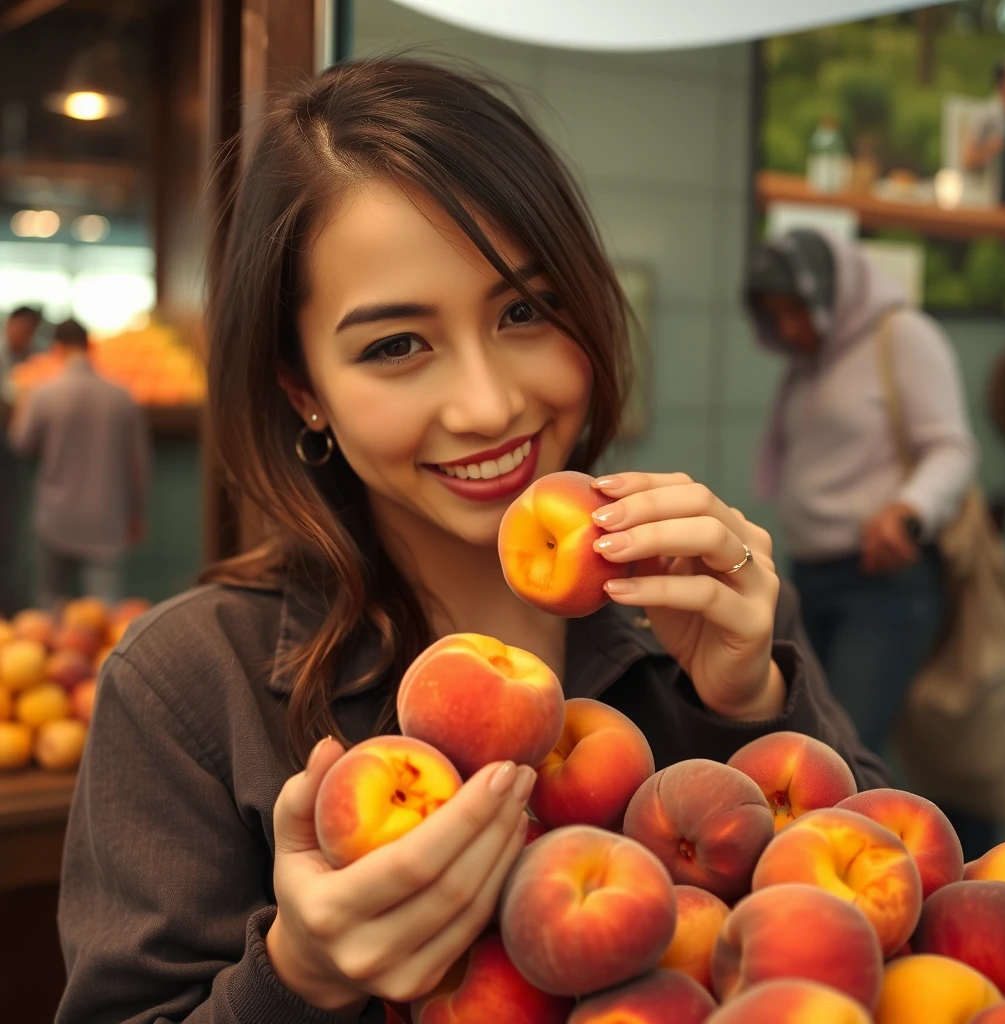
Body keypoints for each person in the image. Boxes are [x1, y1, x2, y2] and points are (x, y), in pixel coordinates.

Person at [56, 60, 888, 1024]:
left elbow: (883, 931)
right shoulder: (193, 689)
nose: (490, 405)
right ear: (303, 389)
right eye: (396, 345)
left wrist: (747, 705)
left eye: (523, 311)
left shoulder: (700, 601)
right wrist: (297, 978)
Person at [745, 228, 989, 851]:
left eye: (796, 310)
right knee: (806, 740)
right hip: (811, 575)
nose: (790, 329)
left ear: (830, 292)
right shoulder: (812, 361)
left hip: (882, 580)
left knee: (839, 756)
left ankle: (853, 887)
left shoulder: (901, 336)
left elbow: (952, 446)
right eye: (776, 316)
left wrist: (910, 510)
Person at [7, 318, 149, 609]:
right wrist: (135, 512)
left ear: (57, 349)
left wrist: (22, 397)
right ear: (90, 346)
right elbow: (139, 463)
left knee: (49, 605)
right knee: (104, 610)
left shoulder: (43, 394)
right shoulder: (122, 396)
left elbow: (20, 443)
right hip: (106, 515)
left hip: (55, 513)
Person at [0, 305, 43, 614]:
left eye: (30, 331)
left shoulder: (40, 360)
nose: (23, 336)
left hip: (19, 456)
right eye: (20, 328)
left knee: (12, 531)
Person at [962, 55, 1005, 205]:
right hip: (992, 199)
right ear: (1000, 82)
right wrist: (991, 148)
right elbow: (967, 159)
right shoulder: (985, 115)